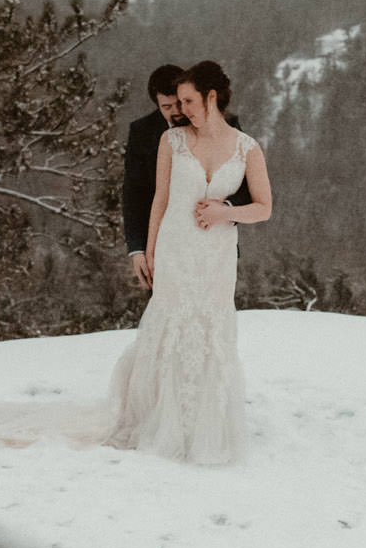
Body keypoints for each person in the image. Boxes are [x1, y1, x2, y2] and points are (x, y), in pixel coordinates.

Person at [105, 60, 272, 464]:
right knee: (172, 326)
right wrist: (148, 249)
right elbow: (158, 198)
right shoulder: (172, 141)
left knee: (209, 331)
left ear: (211, 97)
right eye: (176, 102)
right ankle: (159, 420)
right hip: (177, 248)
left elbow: (264, 207)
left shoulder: (247, 147)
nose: (181, 110)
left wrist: (226, 211)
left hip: (216, 254)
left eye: (188, 100)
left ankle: (205, 425)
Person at [122, 64, 248, 291]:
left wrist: (225, 210)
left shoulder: (226, 125)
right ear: (157, 105)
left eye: (180, 103)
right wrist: (138, 250)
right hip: (165, 245)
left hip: (214, 241)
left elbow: (246, 187)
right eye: (166, 106)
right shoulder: (143, 132)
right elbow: (134, 194)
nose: (176, 111)